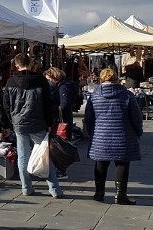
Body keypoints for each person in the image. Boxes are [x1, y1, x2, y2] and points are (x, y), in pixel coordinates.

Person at [3, 53, 64, 198]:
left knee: (22, 157)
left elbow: (6, 105)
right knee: (44, 155)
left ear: (16, 65)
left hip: (19, 123)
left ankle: (26, 187)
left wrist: (11, 121)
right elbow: (48, 105)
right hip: (38, 122)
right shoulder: (41, 81)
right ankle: (54, 189)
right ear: (30, 64)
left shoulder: (10, 82)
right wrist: (50, 123)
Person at [84, 68, 143, 204]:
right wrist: (138, 132)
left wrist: (91, 132)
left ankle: (99, 193)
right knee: (122, 164)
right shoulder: (127, 95)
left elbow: (88, 117)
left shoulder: (95, 95)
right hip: (123, 135)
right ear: (116, 78)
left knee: (100, 164)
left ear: (101, 78)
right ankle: (120, 195)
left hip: (100, 136)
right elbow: (136, 117)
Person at [44, 67, 77, 178]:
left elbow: (64, 105)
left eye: (49, 78)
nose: (48, 81)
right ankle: (60, 169)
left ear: (54, 77)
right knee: (60, 145)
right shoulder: (65, 85)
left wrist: (52, 107)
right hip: (64, 118)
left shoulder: (63, 87)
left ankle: (61, 170)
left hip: (61, 120)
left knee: (60, 146)